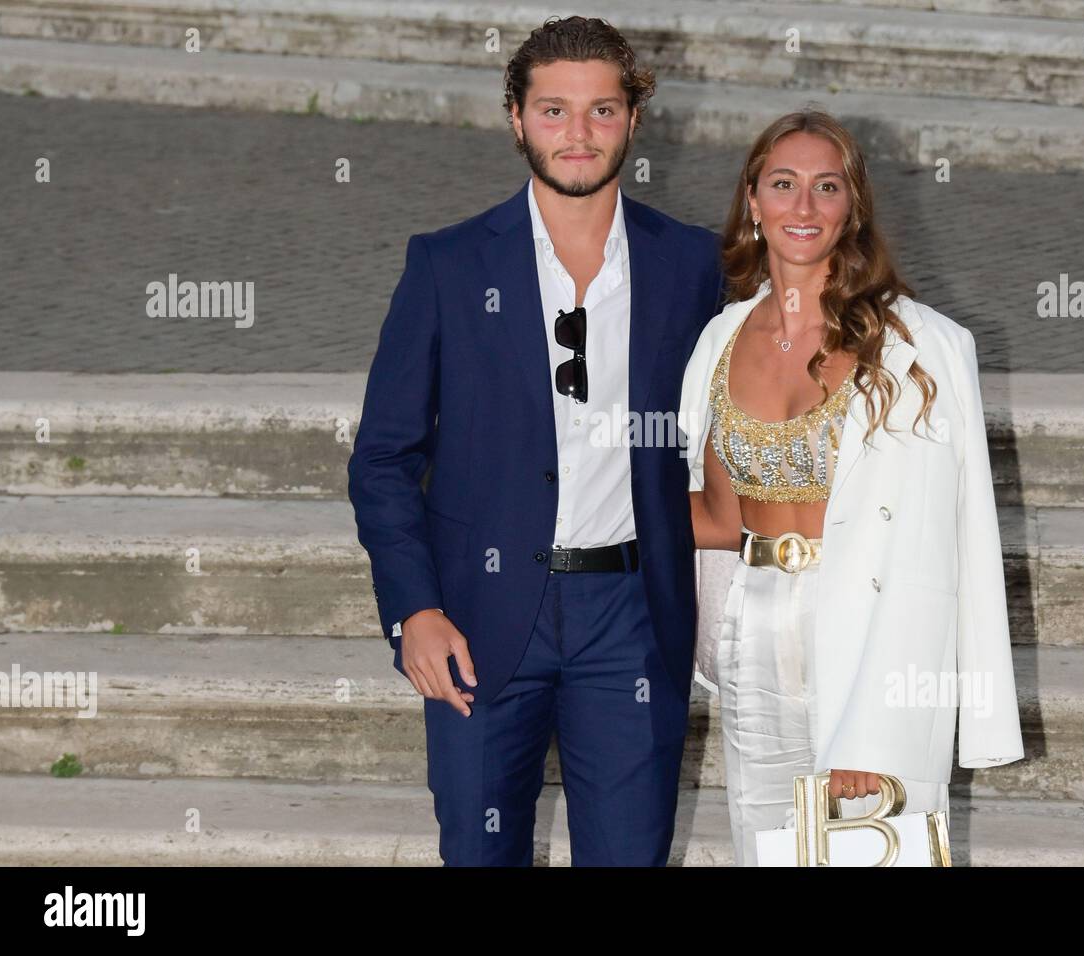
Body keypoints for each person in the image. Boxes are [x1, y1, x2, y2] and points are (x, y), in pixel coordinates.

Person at [348, 16, 723, 866]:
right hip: (477, 618)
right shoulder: (446, 266)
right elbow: (381, 459)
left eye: (601, 110)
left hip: (631, 616)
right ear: (515, 117)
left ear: (634, 118)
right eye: (553, 111)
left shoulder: (693, 266)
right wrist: (415, 610)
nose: (578, 134)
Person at [679, 109, 1025, 866]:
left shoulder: (923, 347)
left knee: (870, 855)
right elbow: (717, 515)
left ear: (852, 206)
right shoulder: (719, 339)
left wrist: (876, 725)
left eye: (825, 187)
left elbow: (936, 553)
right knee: (768, 848)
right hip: (753, 627)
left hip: (873, 644)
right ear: (752, 199)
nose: (803, 208)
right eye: (784, 184)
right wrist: (577, 503)